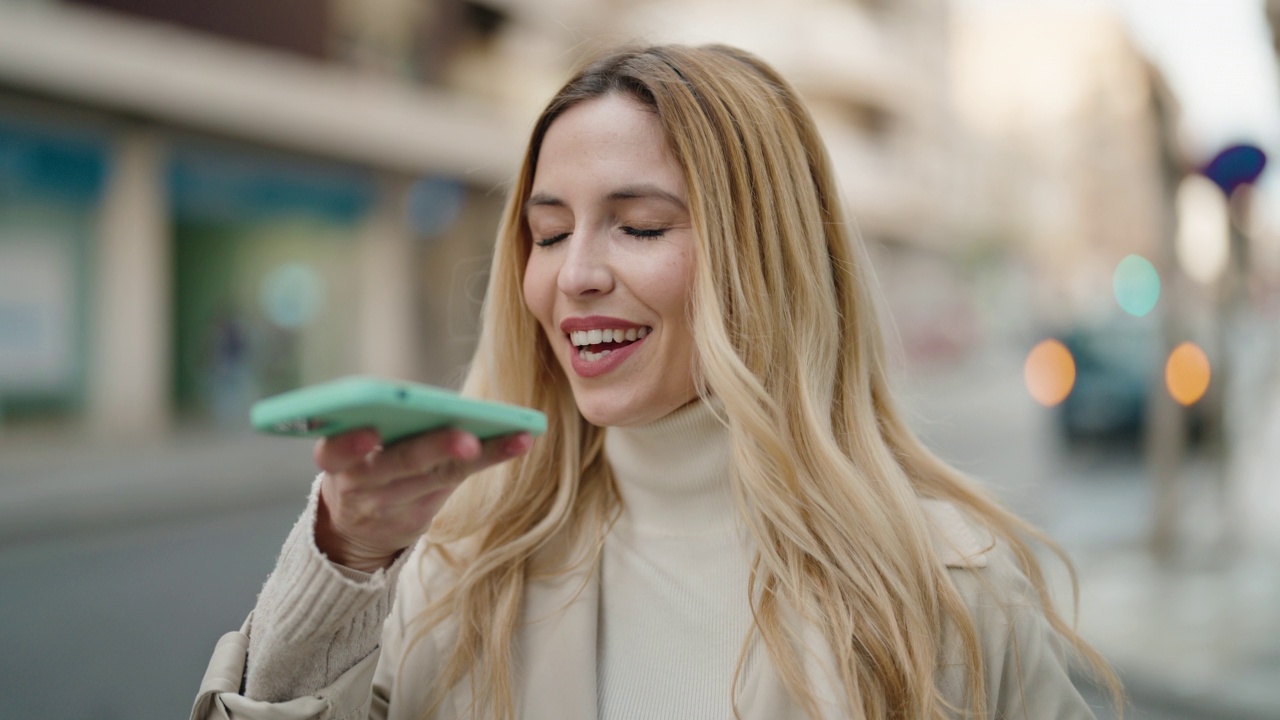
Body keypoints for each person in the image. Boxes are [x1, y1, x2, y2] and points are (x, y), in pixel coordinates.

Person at [192, 43, 1120, 720]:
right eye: (549, 233)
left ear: (766, 258)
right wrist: (346, 561)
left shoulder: (950, 587)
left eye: (636, 225)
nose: (574, 275)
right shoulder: (455, 570)